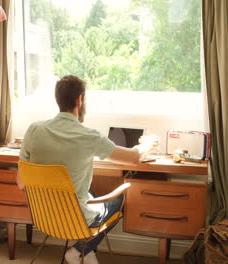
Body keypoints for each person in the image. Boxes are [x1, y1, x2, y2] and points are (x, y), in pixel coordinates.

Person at [17, 75, 150, 264]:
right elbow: (134, 158)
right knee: (120, 198)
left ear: (58, 99)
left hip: (44, 217)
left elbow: (21, 182)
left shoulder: (33, 130)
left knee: (91, 192)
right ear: (80, 100)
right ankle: (78, 251)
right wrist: (147, 145)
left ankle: (85, 253)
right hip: (76, 221)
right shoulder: (89, 136)